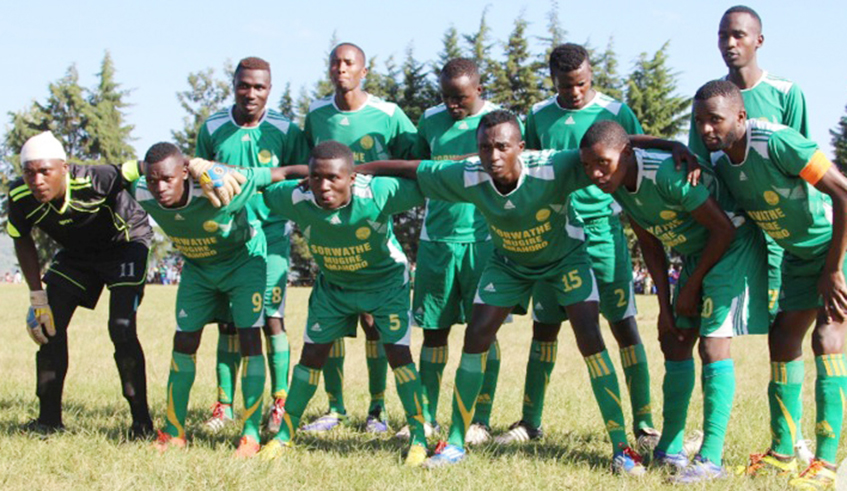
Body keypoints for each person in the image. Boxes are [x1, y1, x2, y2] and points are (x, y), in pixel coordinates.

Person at [356, 110, 646, 475]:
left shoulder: (554, 167)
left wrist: (673, 148)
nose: (492, 156)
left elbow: (619, 147)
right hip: (507, 264)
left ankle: (621, 447)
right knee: (476, 336)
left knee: (589, 336)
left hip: (565, 260)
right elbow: (415, 168)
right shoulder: (469, 175)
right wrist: (363, 169)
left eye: (501, 147)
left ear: (520, 148)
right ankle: (456, 442)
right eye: (484, 147)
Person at [581, 120, 769, 482]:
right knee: (675, 341)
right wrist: (665, 310)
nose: (595, 174)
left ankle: (711, 458)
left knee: (712, 346)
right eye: (588, 167)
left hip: (733, 242)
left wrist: (690, 286)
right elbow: (651, 245)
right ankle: (670, 446)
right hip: (700, 252)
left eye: (602, 163)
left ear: (626, 154)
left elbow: (724, 229)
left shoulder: (667, 173)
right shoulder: (618, 186)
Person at [693, 79, 847, 490]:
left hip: (836, 249)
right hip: (797, 256)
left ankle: (826, 466)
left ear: (740, 116)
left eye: (715, 120)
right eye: (700, 122)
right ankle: (782, 455)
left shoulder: (777, 142)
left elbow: (844, 195)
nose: (707, 129)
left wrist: (833, 270)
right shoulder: (724, 165)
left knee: (827, 338)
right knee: (782, 340)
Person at [505, 42, 657, 449]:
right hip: (554, 236)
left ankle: (644, 423)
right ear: (553, 80)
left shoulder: (616, 112)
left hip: (603, 232)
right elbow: (529, 170)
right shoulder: (537, 116)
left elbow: (637, 164)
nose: (575, 92)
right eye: (566, 85)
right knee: (546, 327)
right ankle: (530, 421)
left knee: (623, 324)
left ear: (591, 74)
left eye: (582, 84)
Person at [126, 142, 304, 457]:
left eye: (167, 178)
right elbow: (117, 171)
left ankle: (250, 436)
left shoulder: (223, 180)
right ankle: (173, 431)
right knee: (184, 341)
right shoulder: (141, 191)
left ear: (184, 173)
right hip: (198, 269)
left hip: (244, 261)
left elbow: (280, 173)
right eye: (153, 180)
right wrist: (192, 160)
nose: (160, 187)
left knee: (249, 338)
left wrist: (338, 174)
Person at [255, 141, 428, 466]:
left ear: (352, 178)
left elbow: (426, 180)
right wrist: (294, 174)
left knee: (399, 355)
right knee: (311, 357)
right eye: (316, 177)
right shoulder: (294, 197)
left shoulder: (379, 191)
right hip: (334, 287)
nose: (323, 186)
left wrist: (373, 167)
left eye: (333, 177)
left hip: (385, 284)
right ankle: (284, 436)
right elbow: (260, 183)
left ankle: (419, 437)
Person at [301, 42, 418, 433]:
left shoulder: (388, 114)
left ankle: (377, 410)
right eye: (334, 62)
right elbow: (308, 164)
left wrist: (373, 182)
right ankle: (334, 408)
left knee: (375, 323)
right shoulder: (317, 113)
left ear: (364, 70)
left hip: (374, 218)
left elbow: (412, 159)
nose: (341, 68)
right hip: (331, 227)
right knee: (331, 319)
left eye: (349, 62)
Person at [6, 131, 153, 437]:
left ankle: (141, 424)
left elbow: (143, 165)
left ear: (64, 168)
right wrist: (37, 297)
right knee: (49, 328)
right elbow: (22, 240)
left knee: (121, 328)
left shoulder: (96, 179)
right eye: (29, 173)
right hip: (78, 255)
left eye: (45, 171)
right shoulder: (20, 197)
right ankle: (48, 421)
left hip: (125, 243)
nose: (37, 180)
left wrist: (197, 166)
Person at [196, 56, 310, 434]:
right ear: (234, 85)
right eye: (245, 85)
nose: (251, 93)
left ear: (269, 89)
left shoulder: (285, 129)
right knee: (228, 322)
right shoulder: (212, 127)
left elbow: (300, 177)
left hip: (273, 236)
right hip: (227, 237)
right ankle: (224, 405)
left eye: (259, 87)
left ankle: (278, 402)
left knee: (271, 318)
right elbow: (202, 178)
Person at [393, 58, 503, 443]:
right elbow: (420, 170)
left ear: (479, 91)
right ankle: (425, 418)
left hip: (485, 241)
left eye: (461, 98)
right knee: (434, 332)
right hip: (437, 240)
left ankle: (479, 419)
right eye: (446, 97)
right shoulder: (430, 120)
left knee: (484, 332)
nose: (453, 105)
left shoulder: (498, 121)